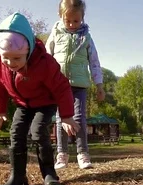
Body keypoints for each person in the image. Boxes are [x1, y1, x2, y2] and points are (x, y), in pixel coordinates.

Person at [0, 12, 80, 185]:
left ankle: (49, 174)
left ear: (28, 50)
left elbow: (62, 87)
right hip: (23, 104)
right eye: (6, 57)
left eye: (17, 58)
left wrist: (66, 116)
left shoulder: (44, 63)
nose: (10, 63)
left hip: (45, 103)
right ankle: (18, 178)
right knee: (16, 133)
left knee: (38, 130)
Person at [46, 0, 105, 170]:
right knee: (60, 119)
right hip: (59, 85)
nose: (72, 25)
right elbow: (46, 57)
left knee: (79, 118)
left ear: (83, 18)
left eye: (76, 21)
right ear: (61, 17)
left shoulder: (86, 37)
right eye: (68, 21)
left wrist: (99, 85)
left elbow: (94, 62)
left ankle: (82, 154)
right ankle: (62, 154)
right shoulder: (56, 34)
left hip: (79, 86)